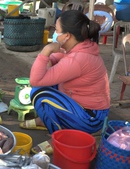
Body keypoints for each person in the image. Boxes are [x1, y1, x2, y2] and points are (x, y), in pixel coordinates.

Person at [19, 10, 110, 155]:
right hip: (87, 109)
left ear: (67, 36)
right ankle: (45, 119)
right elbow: (53, 61)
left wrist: (46, 51)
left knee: (39, 94)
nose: (54, 34)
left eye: (57, 30)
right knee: (47, 82)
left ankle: (58, 139)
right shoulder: (80, 45)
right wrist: (49, 57)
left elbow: (35, 80)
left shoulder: (78, 58)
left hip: (91, 118)